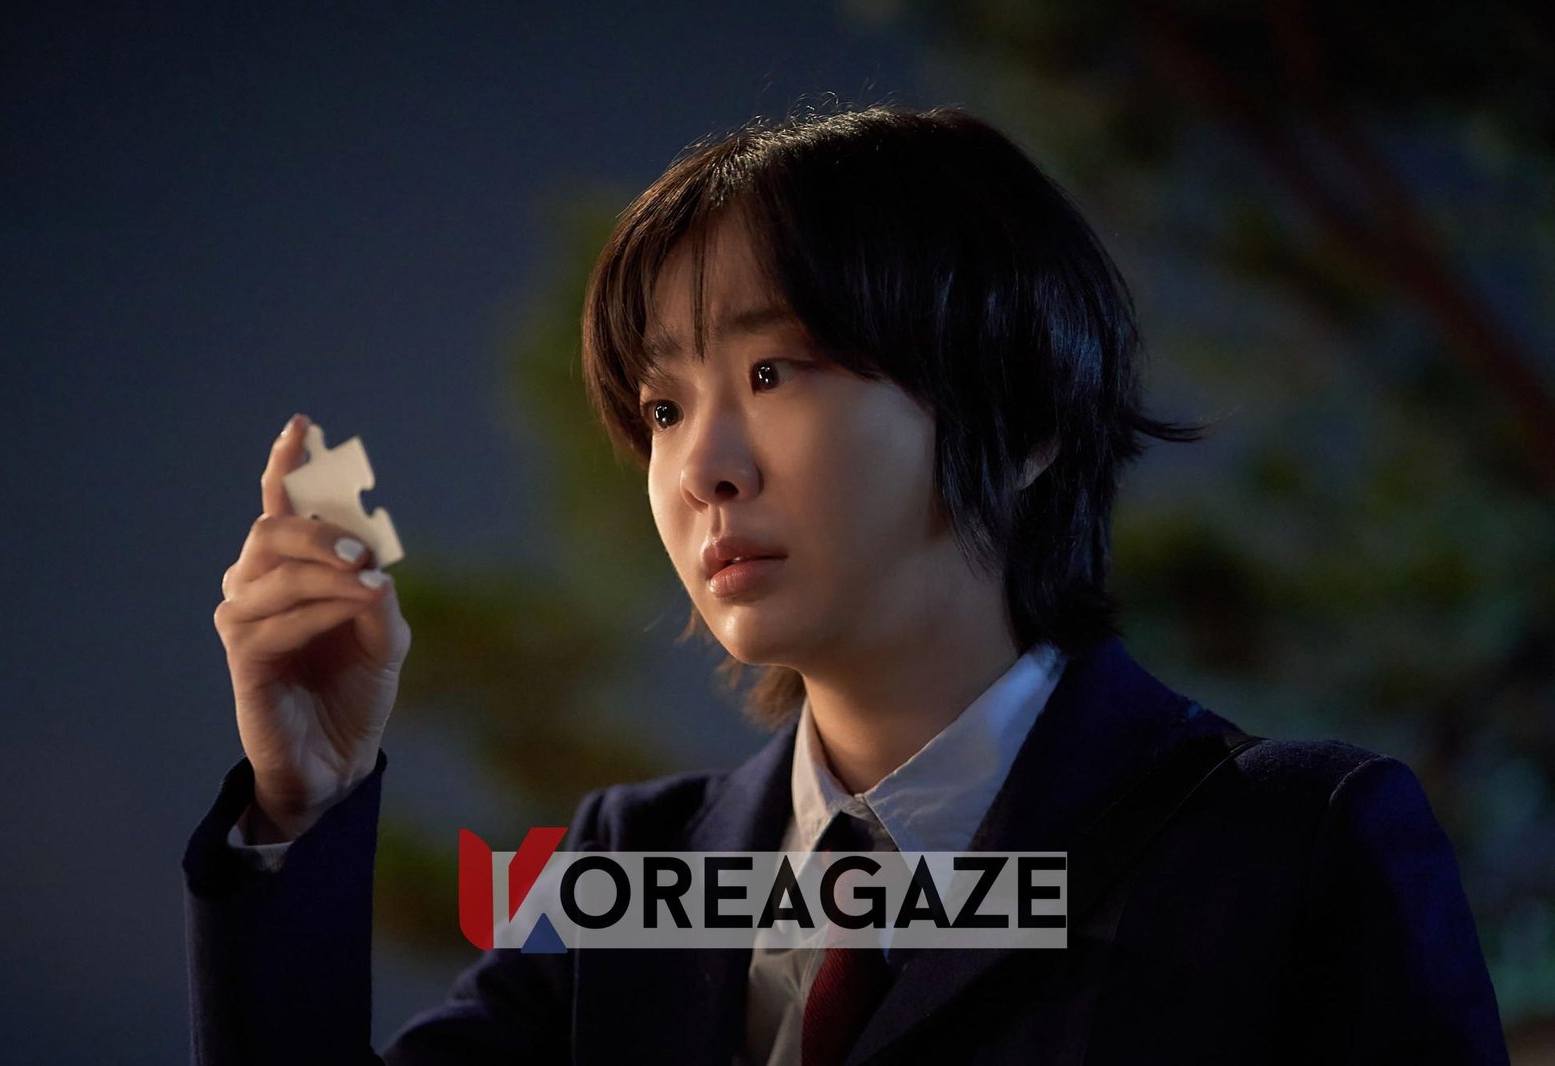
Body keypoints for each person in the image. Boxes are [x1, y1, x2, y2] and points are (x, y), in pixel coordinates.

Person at [186, 105, 1509, 1064]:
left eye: (775, 372)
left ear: (1024, 413)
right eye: (661, 406)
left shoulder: (1284, 848)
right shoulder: (633, 872)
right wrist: (307, 799)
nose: (701, 466)